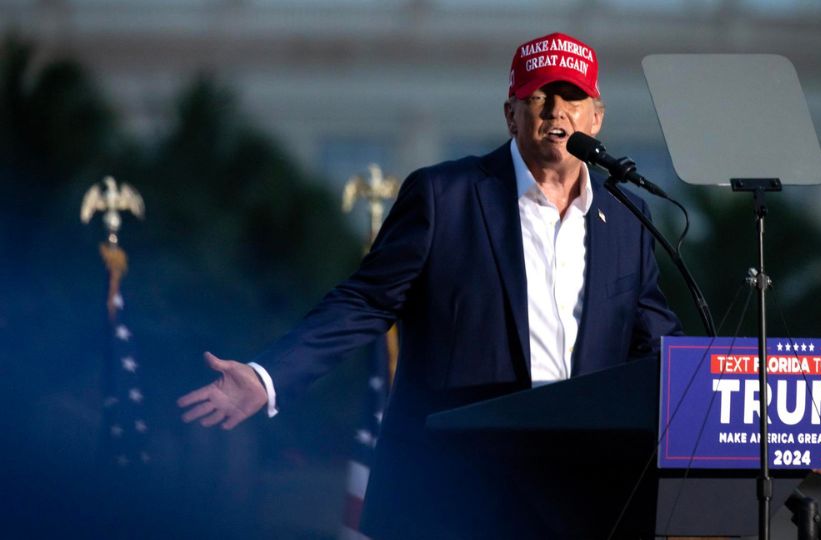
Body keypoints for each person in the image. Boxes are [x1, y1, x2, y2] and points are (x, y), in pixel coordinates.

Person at [179, 31, 682, 539]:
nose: (556, 111)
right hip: (458, 491)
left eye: (571, 97)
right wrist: (268, 376)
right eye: (538, 97)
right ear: (511, 114)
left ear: (596, 117)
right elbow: (365, 302)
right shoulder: (447, 196)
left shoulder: (626, 216)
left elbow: (657, 344)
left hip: (584, 499)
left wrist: (733, 391)